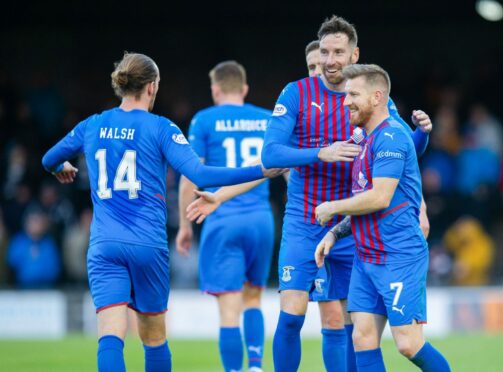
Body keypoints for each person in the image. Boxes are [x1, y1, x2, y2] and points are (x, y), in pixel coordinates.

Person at [41, 52, 282, 372]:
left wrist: (61, 166)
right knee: (153, 337)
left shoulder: (92, 124)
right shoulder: (161, 128)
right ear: (152, 87)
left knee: (110, 336)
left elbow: (48, 159)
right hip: (147, 246)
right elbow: (202, 174)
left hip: (104, 246)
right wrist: (260, 171)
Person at [261, 16, 432, 372]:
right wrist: (318, 152)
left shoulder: (367, 99)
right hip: (306, 219)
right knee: (291, 315)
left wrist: (423, 133)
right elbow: (270, 155)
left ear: (354, 54)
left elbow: (401, 152)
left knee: (350, 324)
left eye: (338, 51)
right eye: (324, 51)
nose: (330, 59)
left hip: (356, 223)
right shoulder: (296, 93)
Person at [314, 64, 450, 371]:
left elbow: (380, 197)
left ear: (377, 97)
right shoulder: (365, 143)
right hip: (366, 258)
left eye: (353, 94)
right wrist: (334, 234)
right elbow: (366, 206)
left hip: (398, 255)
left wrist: (332, 207)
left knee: (408, 344)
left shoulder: (392, 137)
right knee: (362, 338)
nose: (346, 101)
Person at [175, 61, 274, 372]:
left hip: (222, 218)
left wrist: (184, 224)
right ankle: (256, 365)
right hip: (261, 219)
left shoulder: (204, 120)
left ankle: (234, 370)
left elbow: (189, 178)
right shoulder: (267, 119)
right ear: (244, 89)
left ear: (215, 89)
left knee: (229, 309)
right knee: (253, 299)